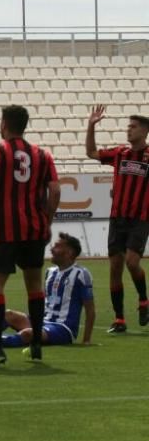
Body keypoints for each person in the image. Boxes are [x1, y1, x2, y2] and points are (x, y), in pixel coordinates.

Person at [0, 105, 60, 368]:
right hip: (33, 229)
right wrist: (48, 222)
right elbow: (55, 190)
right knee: (34, 285)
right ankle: (36, 346)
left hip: (5, 231)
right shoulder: (43, 155)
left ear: (4, 124)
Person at [0, 233, 96, 351]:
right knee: (8, 314)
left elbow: (90, 309)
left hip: (62, 328)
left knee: (29, 334)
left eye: (57, 246)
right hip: (42, 321)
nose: (52, 249)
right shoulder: (50, 272)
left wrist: (86, 340)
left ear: (70, 252)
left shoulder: (81, 274)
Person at [85, 106, 149, 333]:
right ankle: (119, 319)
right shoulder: (120, 153)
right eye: (128, 127)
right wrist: (91, 126)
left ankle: (143, 299)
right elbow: (91, 153)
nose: (128, 130)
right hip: (117, 218)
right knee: (115, 269)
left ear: (144, 131)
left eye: (133, 127)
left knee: (132, 262)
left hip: (140, 219)